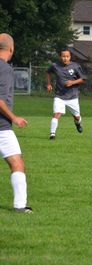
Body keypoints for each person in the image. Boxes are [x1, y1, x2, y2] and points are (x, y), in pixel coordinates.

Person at [0, 33, 32, 213]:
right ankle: (20, 207)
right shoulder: (4, 69)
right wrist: (13, 117)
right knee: (17, 164)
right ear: (11, 49)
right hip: (1, 127)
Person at [46, 48, 85, 140]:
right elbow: (48, 72)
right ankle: (52, 134)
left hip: (72, 97)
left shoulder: (75, 66)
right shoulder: (55, 66)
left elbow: (83, 79)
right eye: (63, 56)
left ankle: (78, 123)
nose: (65, 58)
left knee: (77, 117)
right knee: (56, 114)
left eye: (67, 56)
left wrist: (72, 82)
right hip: (59, 96)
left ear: (70, 57)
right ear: (60, 57)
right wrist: (48, 83)